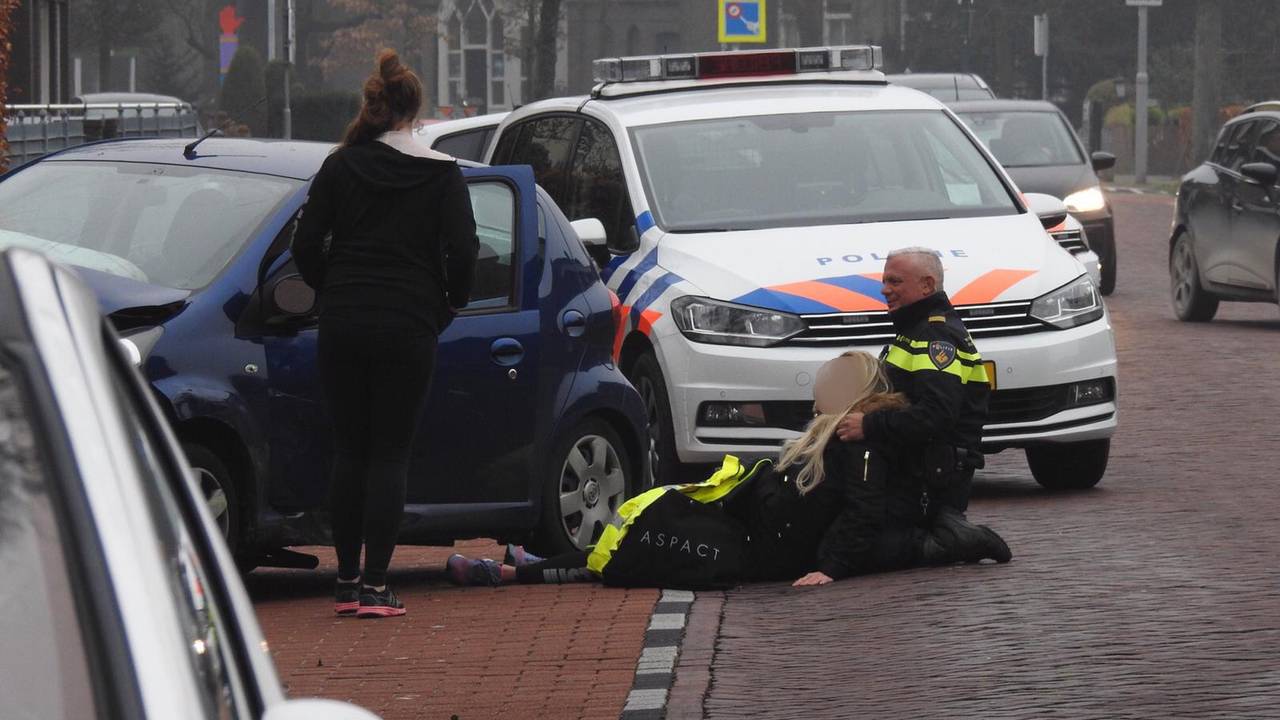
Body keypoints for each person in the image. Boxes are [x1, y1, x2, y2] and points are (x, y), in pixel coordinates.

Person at [445, 351, 1009, 589]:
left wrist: (829, 569)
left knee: (646, 548)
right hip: (757, 525)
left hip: (766, 547)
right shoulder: (837, 432)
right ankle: (534, 565)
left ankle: (518, 574)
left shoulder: (855, 439)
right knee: (654, 518)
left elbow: (860, 510)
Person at [291, 49, 479, 618]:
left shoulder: (340, 166)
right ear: (415, 112)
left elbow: (304, 245)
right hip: (408, 323)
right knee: (391, 453)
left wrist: (332, 290)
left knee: (349, 449)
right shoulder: (440, 172)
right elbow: (466, 249)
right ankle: (376, 584)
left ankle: (345, 581)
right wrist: (449, 303)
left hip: (345, 320)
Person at [836, 247, 989, 521]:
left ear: (926, 285)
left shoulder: (935, 337)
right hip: (915, 469)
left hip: (931, 479)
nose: (884, 290)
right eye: (884, 281)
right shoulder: (914, 330)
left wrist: (868, 425)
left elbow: (936, 415)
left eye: (894, 282)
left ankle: (951, 540)